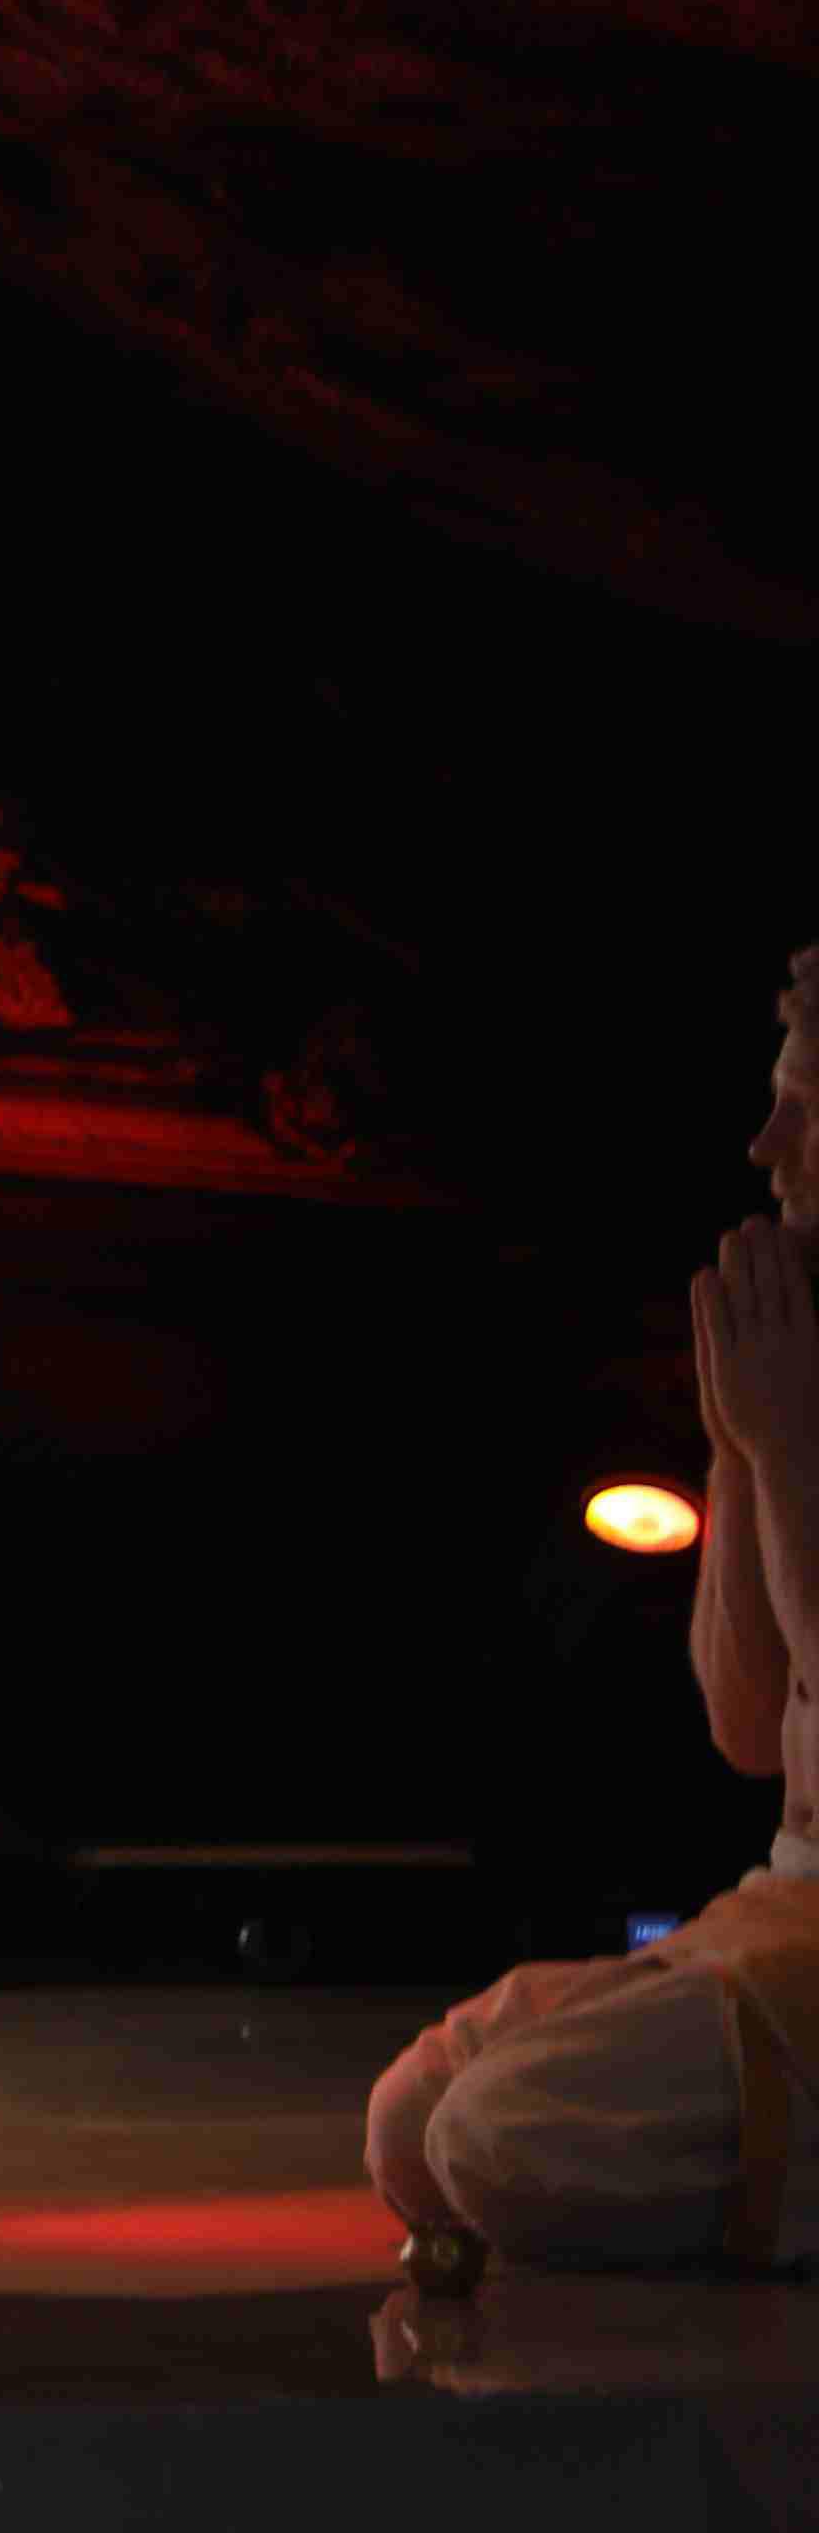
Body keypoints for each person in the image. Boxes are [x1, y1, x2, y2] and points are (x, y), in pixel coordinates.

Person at [361, 950, 819, 2276]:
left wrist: (786, 1451)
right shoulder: (802, 1350)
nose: (765, 1143)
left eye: (806, 1108)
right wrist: (737, 1450)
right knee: (411, 2121)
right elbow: (748, 1731)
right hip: (787, 1918)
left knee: (502, 2140)